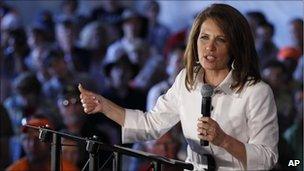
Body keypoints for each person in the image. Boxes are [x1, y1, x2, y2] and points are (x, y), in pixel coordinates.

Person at [78, 4, 278, 170]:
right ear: (195, 40)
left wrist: (224, 140)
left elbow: (268, 157)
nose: (210, 47)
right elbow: (151, 125)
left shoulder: (256, 92)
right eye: (204, 37)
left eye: (221, 40)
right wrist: (104, 105)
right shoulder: (186, 80)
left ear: (235, 46)